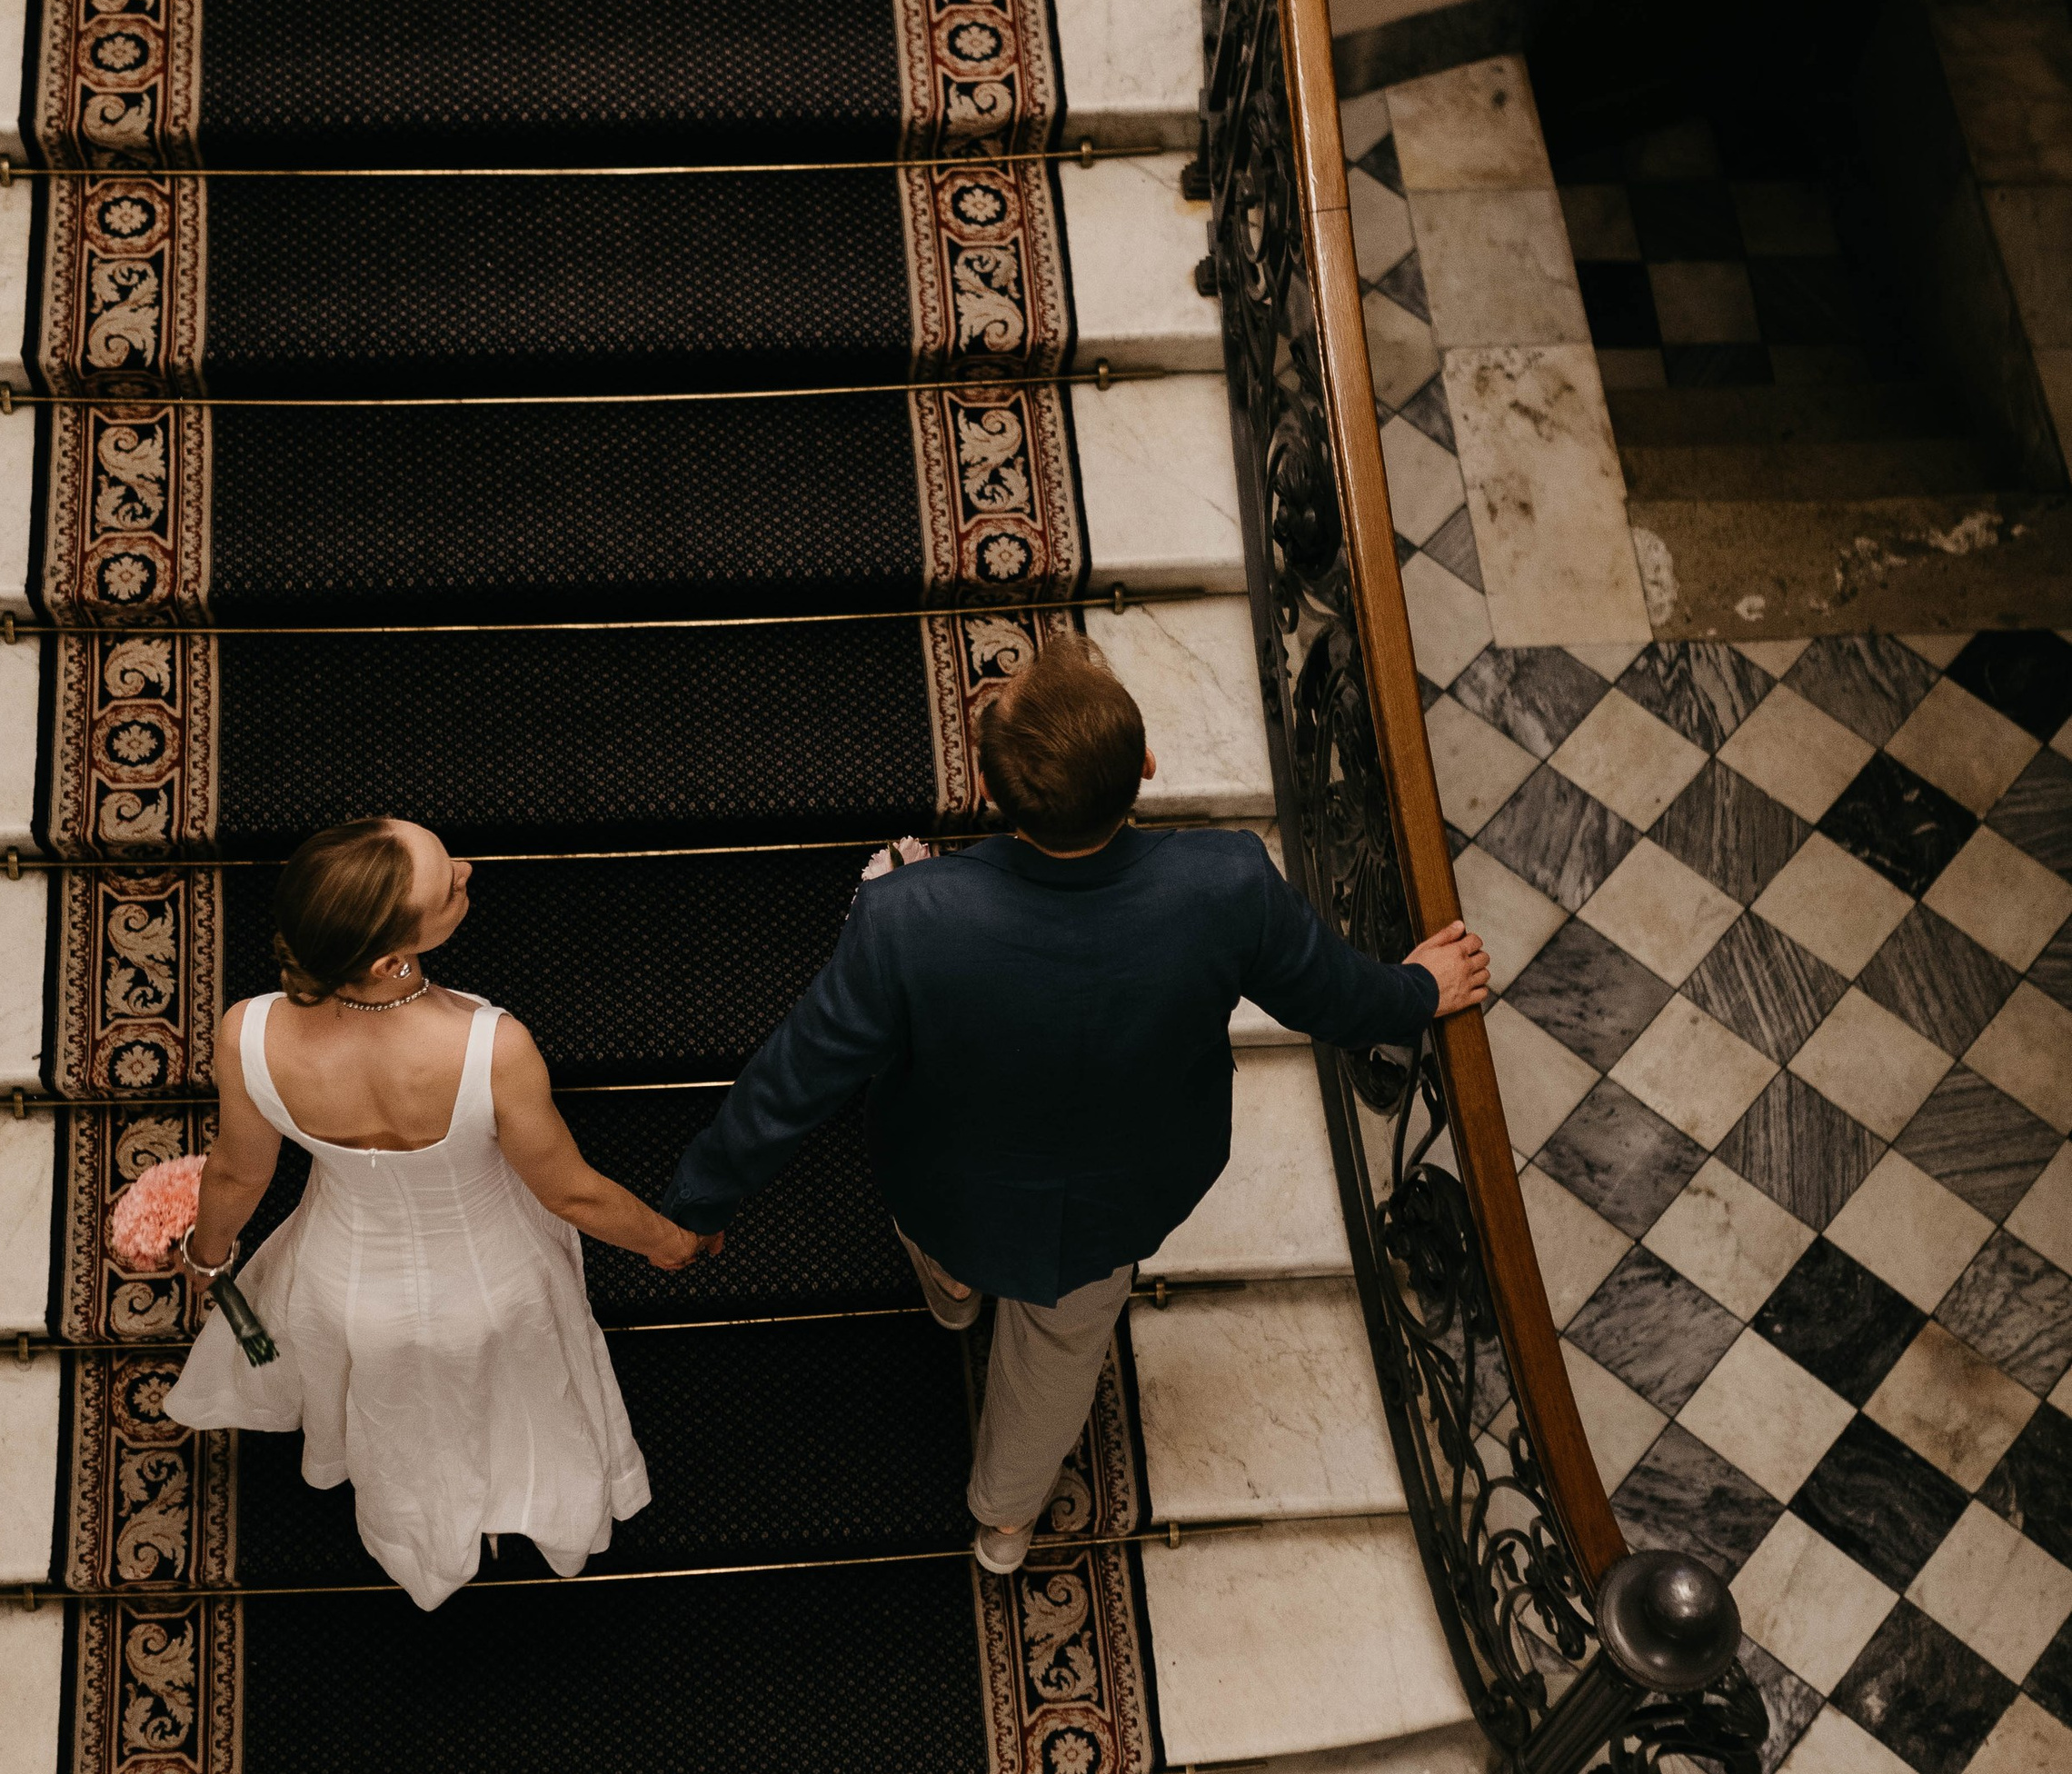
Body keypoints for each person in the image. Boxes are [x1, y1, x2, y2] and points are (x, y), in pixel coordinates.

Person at [661, 643, 1489, 1574]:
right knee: (1056, 1361)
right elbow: (1335, 999)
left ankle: (953, 1295)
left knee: (943, 1247)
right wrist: (1420, 988)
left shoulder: (909, 916)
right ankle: (1006, 1520)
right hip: (1114, 1202)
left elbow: (794, 1077)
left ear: (985, 787)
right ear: (1145, 768)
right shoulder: (1226, 883)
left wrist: (703, 1199)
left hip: (945, 1183)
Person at [171, 814, 718, 1609]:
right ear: (391, 958)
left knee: (402, 1418)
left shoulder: (247, 1032)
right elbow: (570, 1192)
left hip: (344, 1286)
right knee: (522, 1402)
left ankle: (420, 1533)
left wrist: (210, 1257)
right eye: (447, 882)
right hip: (496, 1282)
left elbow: (237, 1174)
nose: (466, 868)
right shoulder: (492, 1046)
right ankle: (535, 1505)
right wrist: (669, 1242)